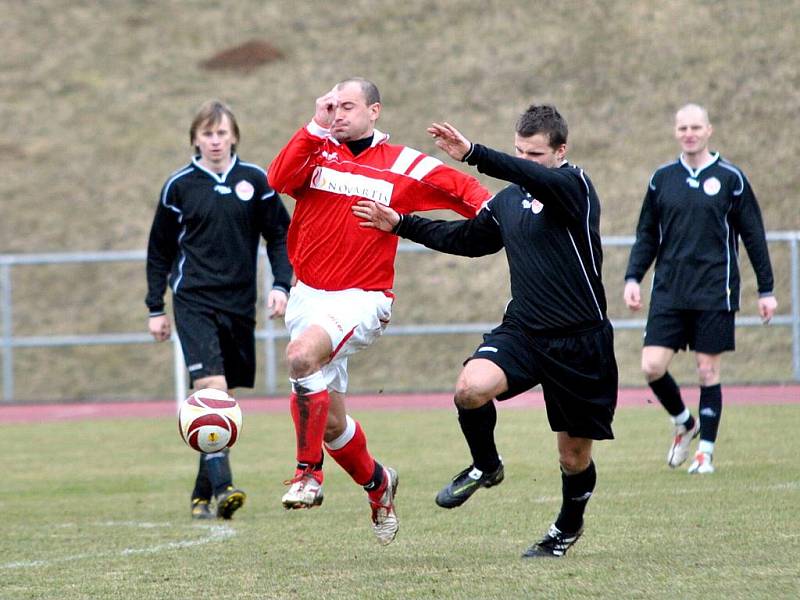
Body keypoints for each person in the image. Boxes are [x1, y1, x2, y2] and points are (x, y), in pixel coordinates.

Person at [353, 104, 618, 559]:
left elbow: (535, 178)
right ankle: (486, 464)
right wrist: (403, 224)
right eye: (520, 152)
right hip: (525, 331)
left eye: (534, 155)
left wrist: (475, 153)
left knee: (573, 457)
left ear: (561, 151)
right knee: (470, 390)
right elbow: (469, 241)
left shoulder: (574, 186)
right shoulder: (508, 202)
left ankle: (566, 529)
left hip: (579, 339)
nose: (525, 163)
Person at [267, 77, 491, 545]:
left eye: (348, 106)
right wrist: (314, 123)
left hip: (361, 298)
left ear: (375, 112)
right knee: (329, 424)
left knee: (300, 357)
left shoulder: (403, 164)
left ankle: (307, 474)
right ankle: (378, 484)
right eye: (333, 106)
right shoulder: (315, 151)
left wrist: (509, 218)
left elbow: (466, 191)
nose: (338, 114)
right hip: (308, 295)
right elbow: (276, 179)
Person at [145, 99, 292, 519]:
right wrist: (156, 306)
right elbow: (159, 251)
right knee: (211, 390)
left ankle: (199, 495)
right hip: (193, 299)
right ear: (195, 139)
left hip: (239, 304)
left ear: (234, 137)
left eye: (222, 133)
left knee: (222, 395)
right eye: (207, 134)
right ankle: (224, 485)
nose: (215, 141)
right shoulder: (179, 186)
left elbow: (280, 236)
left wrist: (281, 285)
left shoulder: (255, 181)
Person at [624, 103, 777, 474]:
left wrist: (766, 289)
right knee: (651, 367)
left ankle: (704, 452)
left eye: (696, 127)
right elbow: (647, 234)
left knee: (708, 372)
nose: (689, 133)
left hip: (715, 290)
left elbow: (754, 236)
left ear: (709, 130)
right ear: (676, 132)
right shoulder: (662, 179)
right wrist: (633, 277)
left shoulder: (730, 178)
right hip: (669, 290)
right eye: (682, 128)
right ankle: (684, 422)